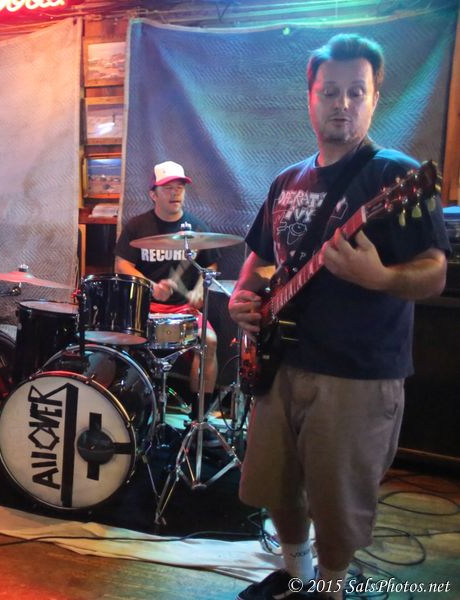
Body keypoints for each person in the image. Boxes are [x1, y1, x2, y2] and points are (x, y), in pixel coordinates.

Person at [228, 34, 449, 600]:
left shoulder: (395, 177)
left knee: (338, 502)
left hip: (356, 374)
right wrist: (242, 298)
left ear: (375, 98)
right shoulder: (287, 180)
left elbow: (434, 273)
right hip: (279, 365)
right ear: (310, 97)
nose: (342, 103)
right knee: (277, 486)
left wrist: (379, 277)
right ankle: (296, 575)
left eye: (356, 92)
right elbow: (260, 260)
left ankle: (331, 588)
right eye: (330, 92)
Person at [115, 161, 220, 417]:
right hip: (146, 307)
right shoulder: (138, 226)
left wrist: (199, 289)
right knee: (122, 343)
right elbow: (122, 264)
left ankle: (199, 417)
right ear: (153, 194)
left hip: (183, 310)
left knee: (210, 341)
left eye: (180, 187)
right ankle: (131, 411)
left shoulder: (196, 228)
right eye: (168, 188)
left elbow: (211, 264)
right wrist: (151, 287)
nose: (175, 193)